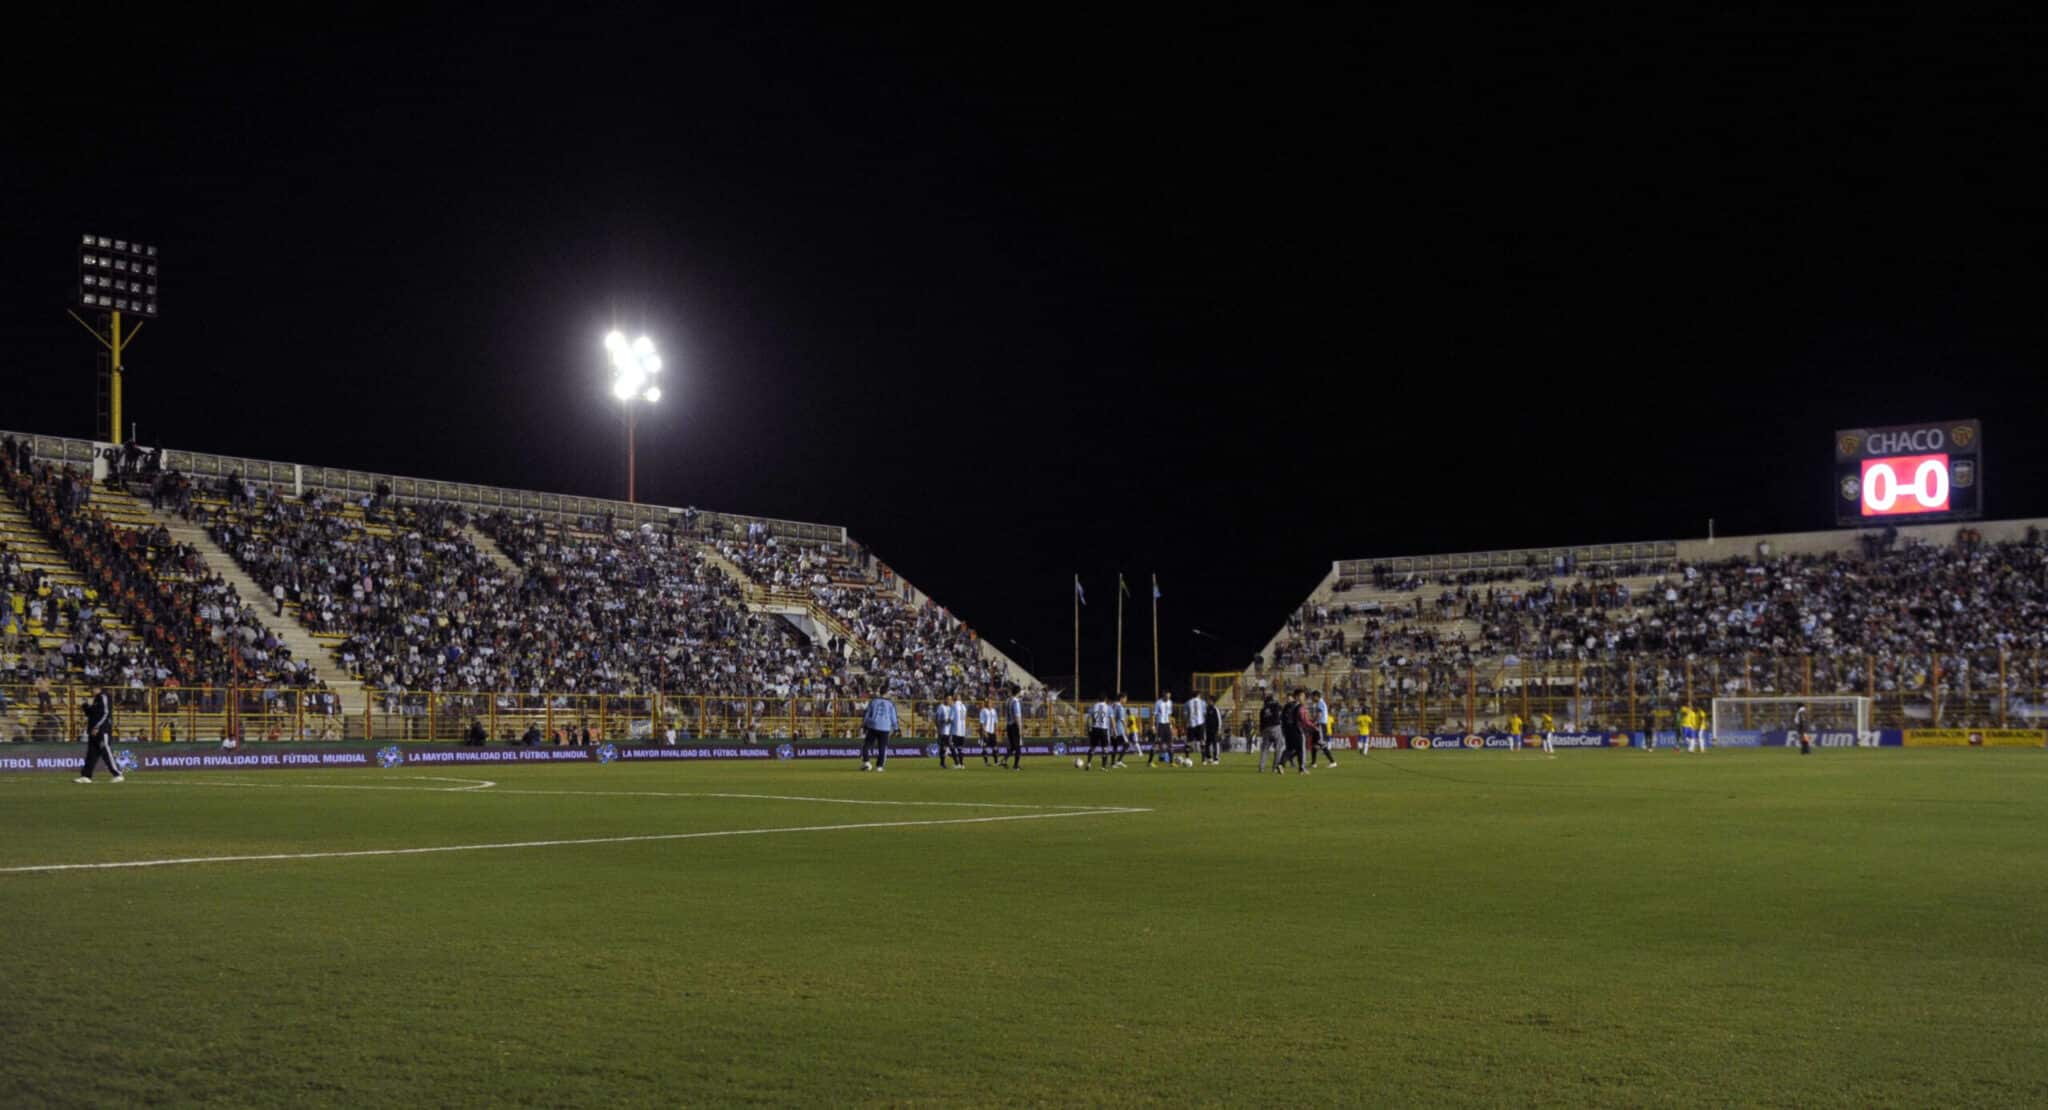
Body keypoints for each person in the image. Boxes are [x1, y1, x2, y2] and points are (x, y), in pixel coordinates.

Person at [75, 685, 122, 783]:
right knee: (91, 754)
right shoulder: (97, 699)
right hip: (93, 731)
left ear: (97, 688)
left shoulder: (103, 696)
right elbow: (91, 714)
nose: (91, 691)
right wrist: (84, 705)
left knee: (106, 751)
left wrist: (97, 727)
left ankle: (117, 774)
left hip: (102, 730)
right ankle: (86, 776)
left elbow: (106, 712)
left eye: (91, 689)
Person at [860, 688, 897, 772]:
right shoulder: (890, 703)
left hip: (873, 726)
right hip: (885, 727)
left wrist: (865, 724)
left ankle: (866, 762)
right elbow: (893, 717)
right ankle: (879, 767)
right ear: (886, 693)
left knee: (867, 745)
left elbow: (867, 714)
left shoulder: (873, 701)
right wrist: (896, 728)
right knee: (882, 747)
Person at [1278, 689, 1305, 774]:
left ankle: (1281, 764)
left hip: (1287, 730)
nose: (1303, 697)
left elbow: (1282, 719)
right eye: (1302, 696)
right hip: (1296, 730)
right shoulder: (1299, 706)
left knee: (1289, 749)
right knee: (1300, 749)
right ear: (1296, 696)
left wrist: (1284, 730)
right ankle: (1301, 769)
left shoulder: (1286, 707)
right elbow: (1302, 719)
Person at [1309, 690, 1337, 767]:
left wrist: (1313, 721)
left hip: (1320, 725)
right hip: (1318, 724)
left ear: (1316, 696)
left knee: (1322, 743)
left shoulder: (1320, 703)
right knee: (1314, 744)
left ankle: (1333, 762)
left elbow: (1319, 714)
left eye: (1312, 696)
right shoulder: (1319, 703)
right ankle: (1313, 763)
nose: (1312, 698)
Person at [1084, 695, 1112, 770]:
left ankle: (1089, 764)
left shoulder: (1093, 706)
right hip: (1103, 729)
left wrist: (1089, 728)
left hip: (1095, 729)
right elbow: (1112, 720)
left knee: (1092, 747)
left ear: (1098, 699)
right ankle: (1103, 767)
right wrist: (1114, 730)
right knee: (1105, 749)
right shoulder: (1108, 707)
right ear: (1105, 699)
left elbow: (1089, 719)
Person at [1258, 694, 1284, 772]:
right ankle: (1275, 767)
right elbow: (1281, 709)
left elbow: (1261, 723)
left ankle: (1261, 767)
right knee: (1278, 748)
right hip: (1275, 727)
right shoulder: (1276, 705)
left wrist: (1261, 731)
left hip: (1265, 729)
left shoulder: (1262, 710)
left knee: (1265, 749)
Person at [1150, 690, 1175, 766]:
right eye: (1167, 696)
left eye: (1169, 696)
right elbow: (1154, 715)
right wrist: (1153, 726)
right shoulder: (1158, 703)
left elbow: (1169, 715)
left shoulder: (1170, 702)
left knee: (1170, 744)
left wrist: (1171, 726)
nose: (1168, 698)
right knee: (1157, 744)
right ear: (1163, 695)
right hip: (1160, 725)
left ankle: (1171, 762)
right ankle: (1150, 762)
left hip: (1167, 725)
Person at [1002, 685, 1024, 769]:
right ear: (1018, 692)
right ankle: (1016, 765)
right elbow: (1017, 716)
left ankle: (1004, 760)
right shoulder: (1016, 701)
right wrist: (1020, 728)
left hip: (1008, 725)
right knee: (1017, 746)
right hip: (1014, 725)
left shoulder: (1008, 700)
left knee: (1012, 746)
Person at [1185, 692, 1207, 766]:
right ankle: (1203, 760)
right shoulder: (1203, 702)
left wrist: (1188, 722)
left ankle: (1187, 758)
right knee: (1202, 741)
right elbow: (1204, 713)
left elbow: (1185, 714)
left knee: (1188, 742)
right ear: (1198, 695)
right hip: (1200, 724)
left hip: (1191, 724)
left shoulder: (1187, 703)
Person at [978, 700, 999, 766]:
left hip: (992, 731)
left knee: (995, 747)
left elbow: (996, 722)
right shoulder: (983, 711)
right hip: (986, 731)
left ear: (992, 703)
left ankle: (996, 762)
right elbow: (982, 722)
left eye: (990, 702)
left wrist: (996, 731)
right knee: (985, 748)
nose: (988, 703)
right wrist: (984, 732)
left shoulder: (994, 711)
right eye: (987, 702)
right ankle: (986, 762)